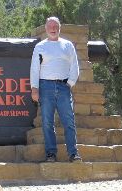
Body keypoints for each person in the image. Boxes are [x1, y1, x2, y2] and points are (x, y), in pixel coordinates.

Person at [30, 16, 82, 162]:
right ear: (46, 29)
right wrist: (34, 88)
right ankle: (51, 153)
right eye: (50, 26)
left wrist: (70, 83)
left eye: (55, 26)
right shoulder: (40, 46)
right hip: (45, 87)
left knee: (69, 121)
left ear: (59, 28)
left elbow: (74, 66)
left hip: (64, 87)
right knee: (47, 122)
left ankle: (73, 153)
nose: (53, 29)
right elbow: (35, 68)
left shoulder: (68, 45)